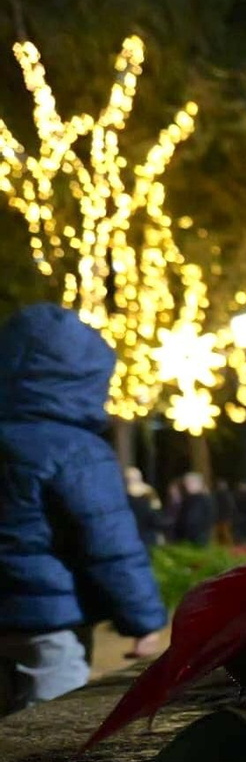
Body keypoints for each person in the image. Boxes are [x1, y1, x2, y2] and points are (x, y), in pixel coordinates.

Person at [0, 305, 167, 713]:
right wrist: (142, 620)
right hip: (50, 624)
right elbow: (108, 543)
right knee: (47, 735)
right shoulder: (77, 450)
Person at [171, 472, 215, 546]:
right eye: (186, 483)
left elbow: (195, 519)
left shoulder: (202, 499)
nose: (186, 485)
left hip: (197, 538)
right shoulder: (189, 499)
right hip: (189, 538)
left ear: (197, 484)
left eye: (189, 483)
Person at [123, 467, 162, 549]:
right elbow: (157, 517)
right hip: (146, 537)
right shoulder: (149, 493)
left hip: (131, 537)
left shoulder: (120, 495)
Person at [212, 478, 235, 545]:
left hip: (223, 517)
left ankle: (228, 546)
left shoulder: (217, 495)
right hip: (223, 517)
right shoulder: (227, 495)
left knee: (224, 534)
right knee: (223, 534)